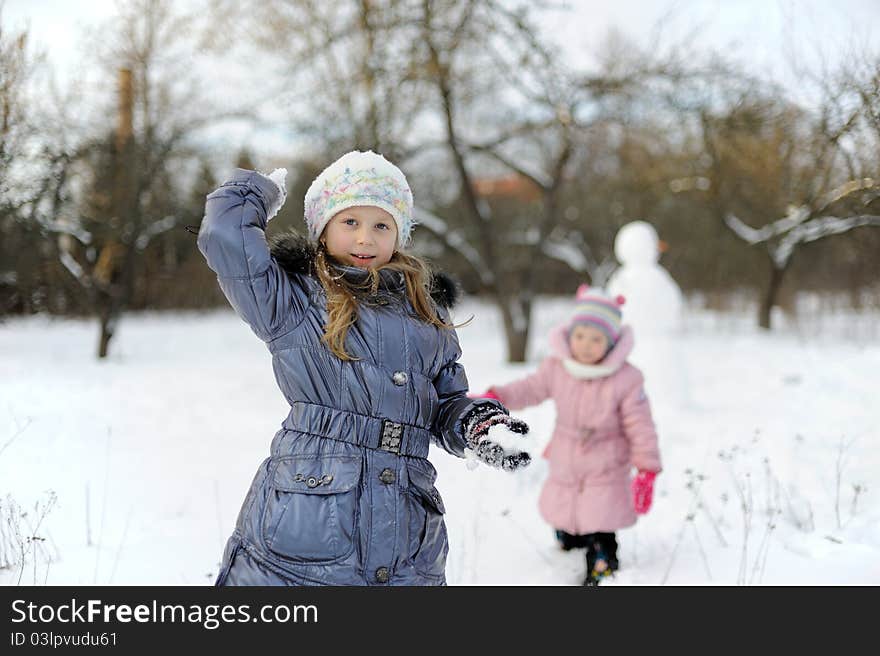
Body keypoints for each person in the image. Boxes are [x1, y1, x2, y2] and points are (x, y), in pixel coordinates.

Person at [197, 150, 531, 586]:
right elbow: (226, 239)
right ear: (323, 228)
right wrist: (255, 193)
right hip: (310, 518)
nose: (365, 239)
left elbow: (445, 401)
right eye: (350, 222)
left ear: (399, 234)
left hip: (407, 532)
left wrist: (474, 422)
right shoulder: (295, 301)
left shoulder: (426, 311)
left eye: (381, 225)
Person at [478, 285, 661, 585]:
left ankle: (602, 560)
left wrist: (647, 470)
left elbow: (641, 427)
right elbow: (529, 388)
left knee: (601, 517)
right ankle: (568, 546)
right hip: (566, 456)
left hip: (607, 462)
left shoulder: (626, 379)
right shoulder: (558, 368)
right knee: (565, 510)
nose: (586, 345)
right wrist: (497, 397)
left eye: (596, 339)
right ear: (569, 335)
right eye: (580, 336)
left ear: (611, 342)